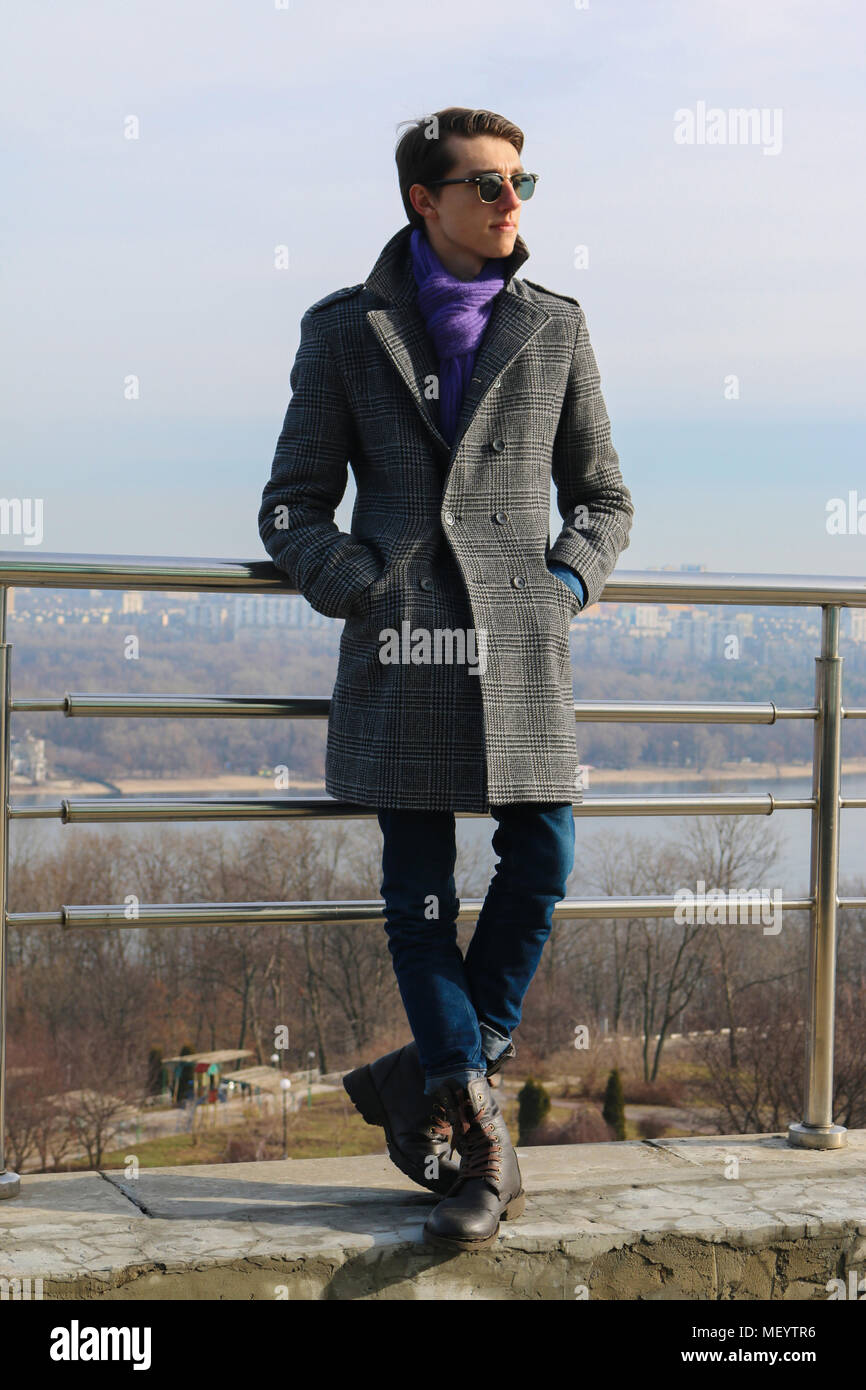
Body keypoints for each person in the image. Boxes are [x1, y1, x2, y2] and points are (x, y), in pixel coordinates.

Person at [258, 106, 634, 1251]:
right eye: (483, 183)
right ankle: (474, 1136)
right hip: (406, 650)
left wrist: (562, 586)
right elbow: (290, 504)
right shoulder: (344, 330)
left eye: (521, 179)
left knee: (546, 852)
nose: (509, 198)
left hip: (521, 651)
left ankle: (419, 1070)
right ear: (424, 200)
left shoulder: (554, 328)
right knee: (418, 900)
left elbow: (605, 498)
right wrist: (356, 582)